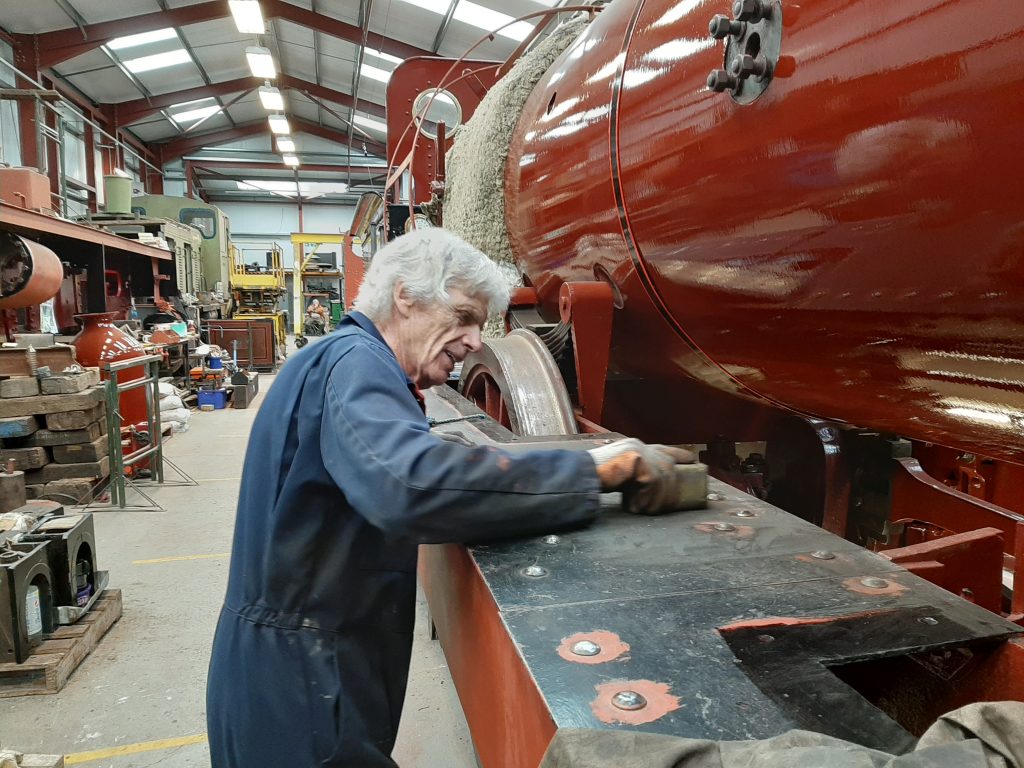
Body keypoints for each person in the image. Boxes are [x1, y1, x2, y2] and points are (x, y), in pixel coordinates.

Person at [205, 228, 694, 767]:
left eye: (480, 324)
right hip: (303, 685)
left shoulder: (335, 362)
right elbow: (413, 484)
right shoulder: (355, 363)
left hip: (303, 662)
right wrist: (597, 469)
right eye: (463, 317)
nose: (475, 341)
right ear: (405, 298)